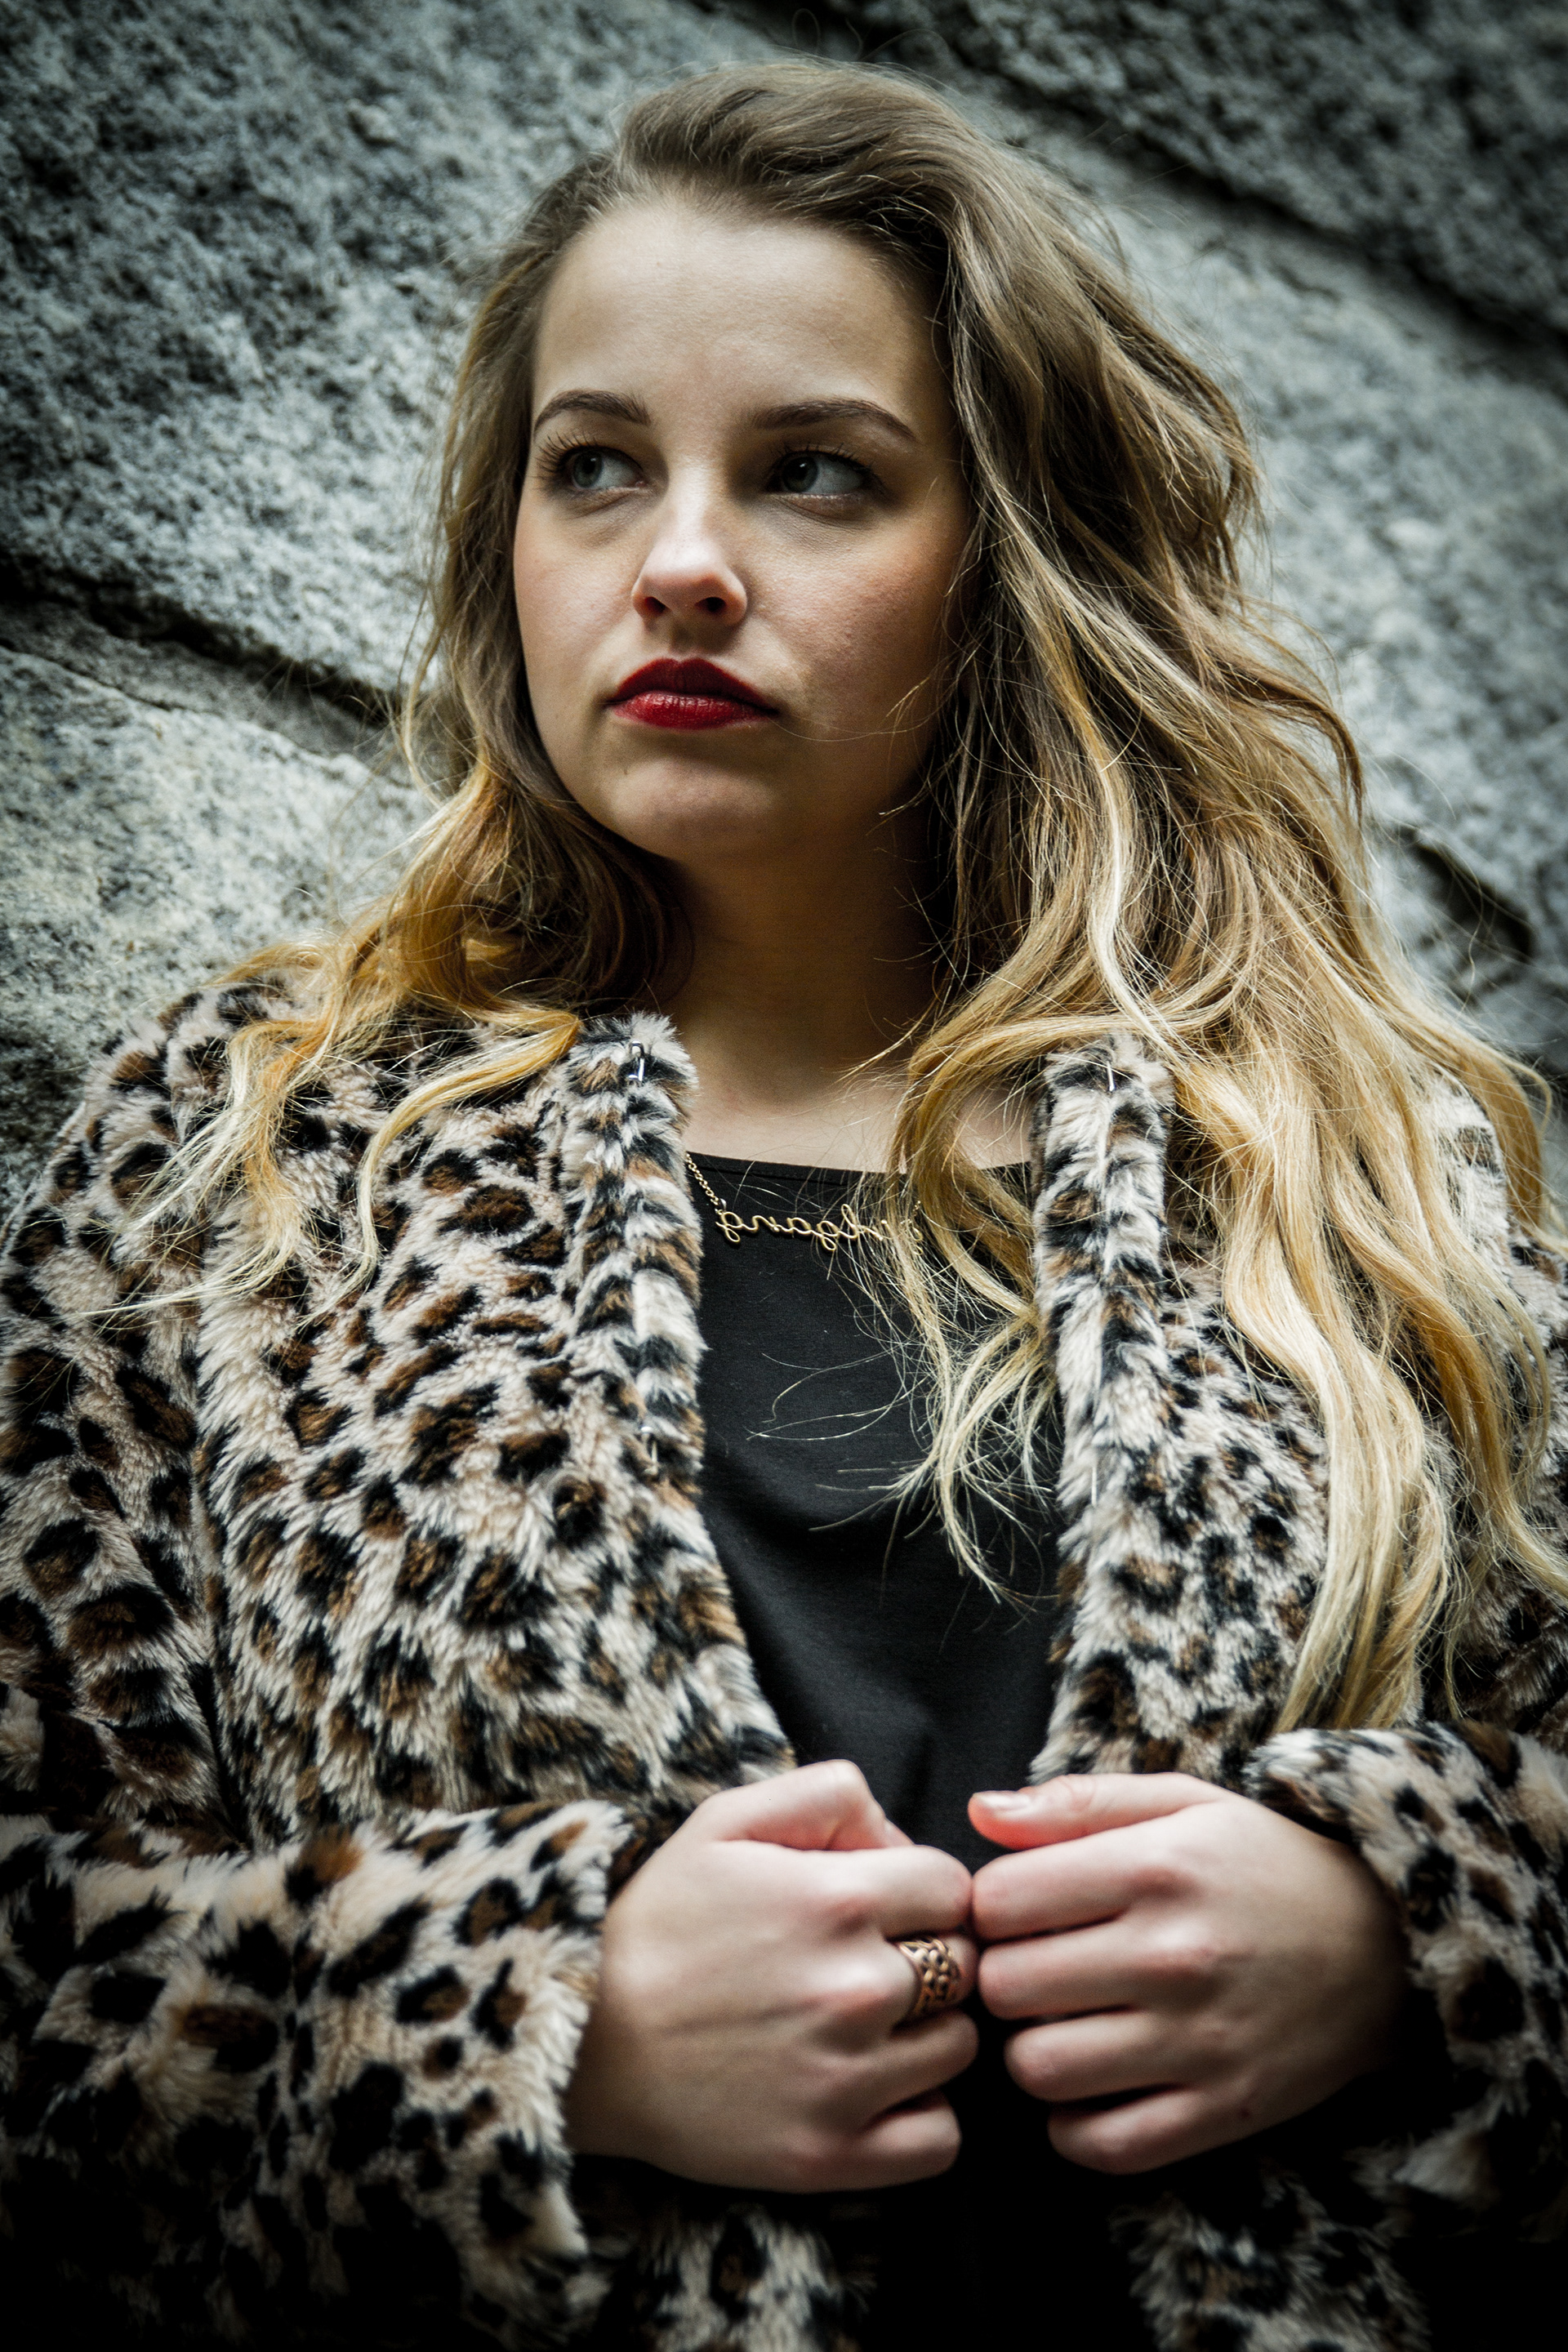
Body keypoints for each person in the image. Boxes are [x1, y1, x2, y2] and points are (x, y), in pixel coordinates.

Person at [2, 57, 1565, 2352]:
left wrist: (1413, 1934)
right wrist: (536, 2024)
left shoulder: (1347, 1191)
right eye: (594, 466)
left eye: (816, 471)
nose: (681, 562)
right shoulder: (246, 1162)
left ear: (1012, 557)